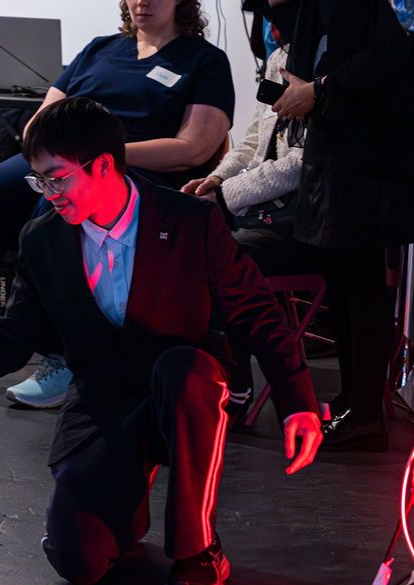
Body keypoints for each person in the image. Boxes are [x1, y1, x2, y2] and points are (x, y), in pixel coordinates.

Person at [0, 97, 322, 585]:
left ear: (105, 165)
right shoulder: (42, 239)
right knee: (78, 562)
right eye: (38, 180)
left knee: (185, 370)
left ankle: (198, 549)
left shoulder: (190, 221)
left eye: (57, 178)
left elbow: (256, 311)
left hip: (180, 392)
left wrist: (297, 403)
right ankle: (123, 502)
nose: (47, 194)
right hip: (103, 401)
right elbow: (9, 339)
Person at [0, 0, 234, 410]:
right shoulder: (99, 49)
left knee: (57, 210)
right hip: (69, 159)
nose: (143, 1)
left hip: (131, 170)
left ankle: (63, 358)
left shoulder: (204, 60)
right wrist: (60, 155)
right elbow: (42, 121)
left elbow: (193, 147)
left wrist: (104, 155)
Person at [267, 0, 414, 450]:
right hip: (333, 141)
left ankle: (364, 410)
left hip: (374, 147)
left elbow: (391, 49)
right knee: (339, 281)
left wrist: (319, 89)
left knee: (364, 286)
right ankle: (350, 399)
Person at [181, 39, 310, 420]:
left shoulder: (327, 60)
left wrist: (225, 197)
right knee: (187, 245)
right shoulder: (278, 56)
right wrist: (216, 179)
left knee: (225, 260)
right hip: (257, 210)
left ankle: (235, 385)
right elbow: (254, 140)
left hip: (305, 221)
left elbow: (304, 162)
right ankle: (216, 376)